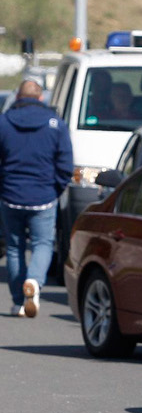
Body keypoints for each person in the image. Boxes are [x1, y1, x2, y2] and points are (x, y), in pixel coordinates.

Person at [0, 79, 73, 318]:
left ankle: (19, 302)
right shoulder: (56, 124)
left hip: (10, 195)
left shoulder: (4, 122)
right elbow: (65, 165)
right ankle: (34, 281)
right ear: (41, 98)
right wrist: (55, 189)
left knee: (14, 248)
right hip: (43, 196)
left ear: (18, 98)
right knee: (43, 243)